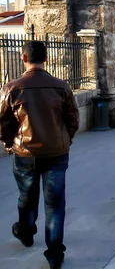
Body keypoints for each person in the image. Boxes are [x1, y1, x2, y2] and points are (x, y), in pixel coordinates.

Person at [0, 41, 80, 269]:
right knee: (55, 203)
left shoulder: (12, 88)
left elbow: (3, 123)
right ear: (46, 59)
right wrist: (65, 140)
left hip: (25, 153)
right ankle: (54, 254)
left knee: (27, 196)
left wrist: (9, 144)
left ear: (24, 58)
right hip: (57, 153)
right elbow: (73, 120)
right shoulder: (62, 87)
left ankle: (25, 231)